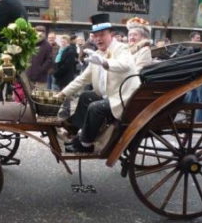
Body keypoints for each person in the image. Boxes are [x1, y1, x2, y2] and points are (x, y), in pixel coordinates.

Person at [56, 13, 140, 153]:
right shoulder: (98, 54)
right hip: (110, 96)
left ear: (111, 35)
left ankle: (85, 144)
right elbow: (82, 79)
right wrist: (62, 94)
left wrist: (105, 63)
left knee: (95, 107)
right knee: (85, 97)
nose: (98, 39)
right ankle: (74, 131)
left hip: (125, 98)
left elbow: (125, 65)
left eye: (102, 35)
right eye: (96, 36)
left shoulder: (121, 48)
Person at [53, 34, 77, 118]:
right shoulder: (61, 50)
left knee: (66, 93)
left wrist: (57, 72)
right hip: (61, 75)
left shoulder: (70, 51)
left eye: (64, 41)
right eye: (61, 41)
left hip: (66, 75)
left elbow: (67, 65)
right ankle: (63, 109)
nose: (62, 43)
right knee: (61, 92)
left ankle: (66, 110)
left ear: (67, 41)